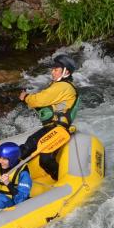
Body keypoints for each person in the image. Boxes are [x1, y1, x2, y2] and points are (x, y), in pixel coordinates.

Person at [18, 53, 80, 181]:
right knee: (30, 144)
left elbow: (40, 100)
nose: (53, 72)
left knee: (44, 158)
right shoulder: (58, 86)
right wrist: (28, 99)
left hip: (59, 129)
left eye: (56, 70)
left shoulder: (63, 86)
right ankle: (14, 172)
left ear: (66, 72)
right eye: (53, 69)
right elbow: (44, 104)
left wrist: (26, 97)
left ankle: (61, 180)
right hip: (52, 127)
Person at [0, 142, 32, 210]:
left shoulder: (23, 172)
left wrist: (8, 184)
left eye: (4, 159)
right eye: (0, 157)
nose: (0, 161)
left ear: (13, 159)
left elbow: (21, 199)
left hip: (11, 201)